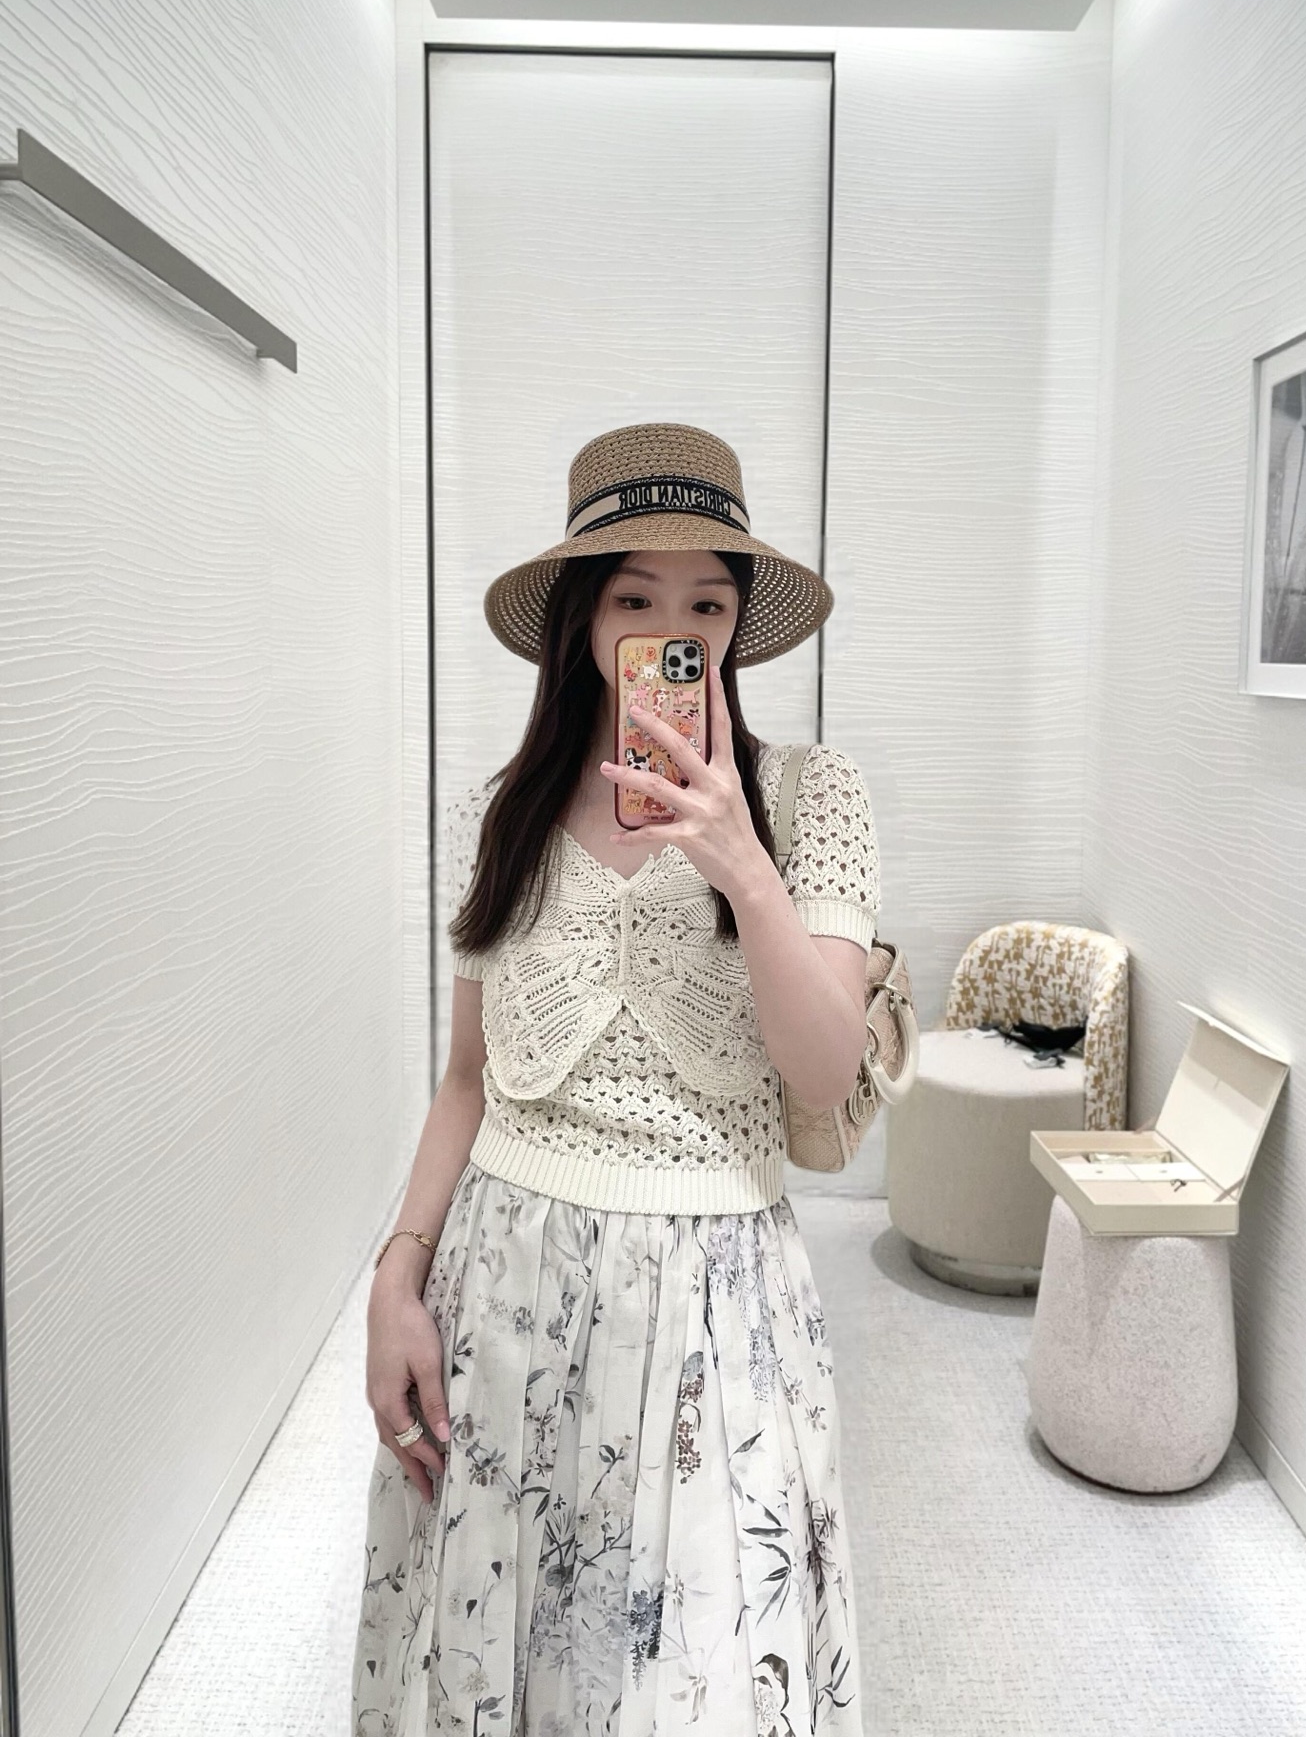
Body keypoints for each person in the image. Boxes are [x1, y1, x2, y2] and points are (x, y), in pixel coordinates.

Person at [351, 422, 880, 1736]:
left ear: (738, 624)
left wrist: (741, 859)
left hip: (720, 1307)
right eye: (637, 599)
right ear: (585, 618)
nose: (672, 630)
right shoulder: (501, 815)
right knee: (508, 1657)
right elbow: (467, 1080)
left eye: (706, 603)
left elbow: (826, 1072)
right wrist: (397, 1276)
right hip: (506, 1291)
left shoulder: (815, 798)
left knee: (704, 1677)